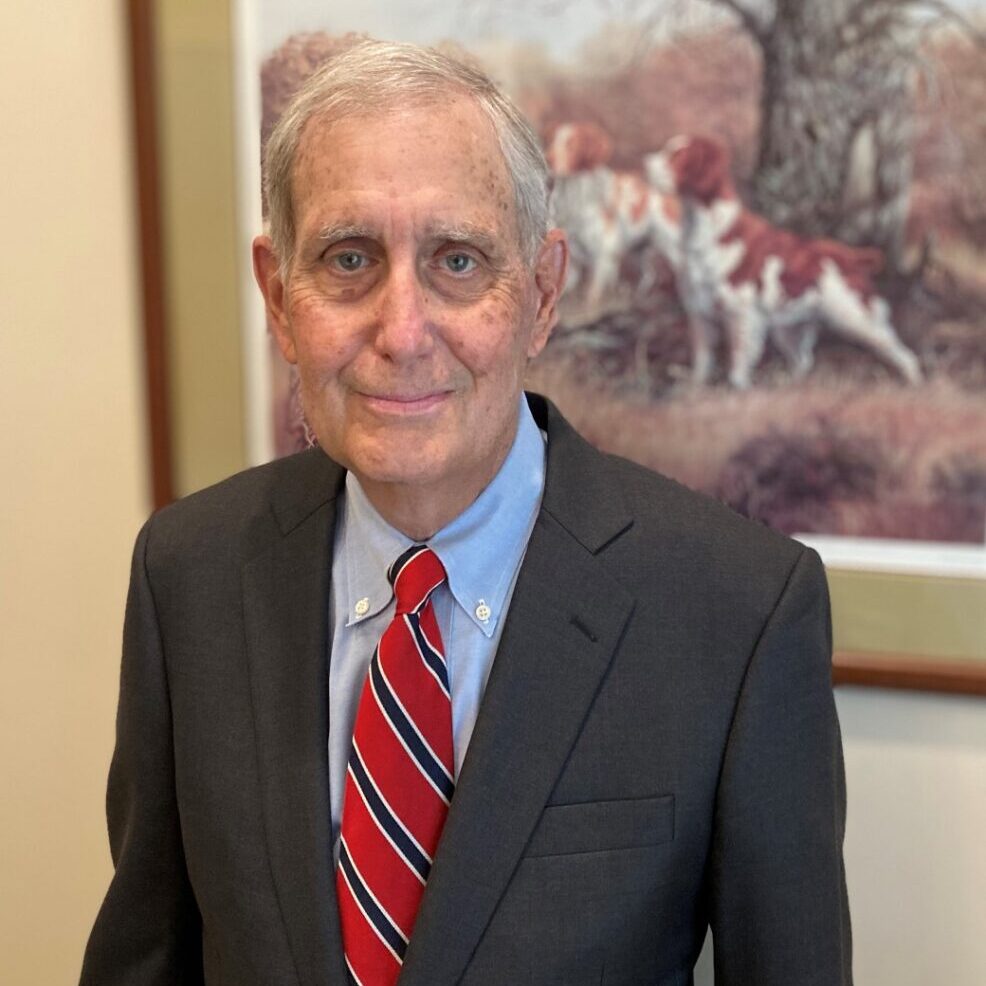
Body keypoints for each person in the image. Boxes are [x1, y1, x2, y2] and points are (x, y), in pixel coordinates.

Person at [80, 39, 851, 986]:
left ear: (542, 293)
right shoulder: (186, 574)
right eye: (349, 258)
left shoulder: (737, 611)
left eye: (457, 261)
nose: (402, 333)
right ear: (279, 297)